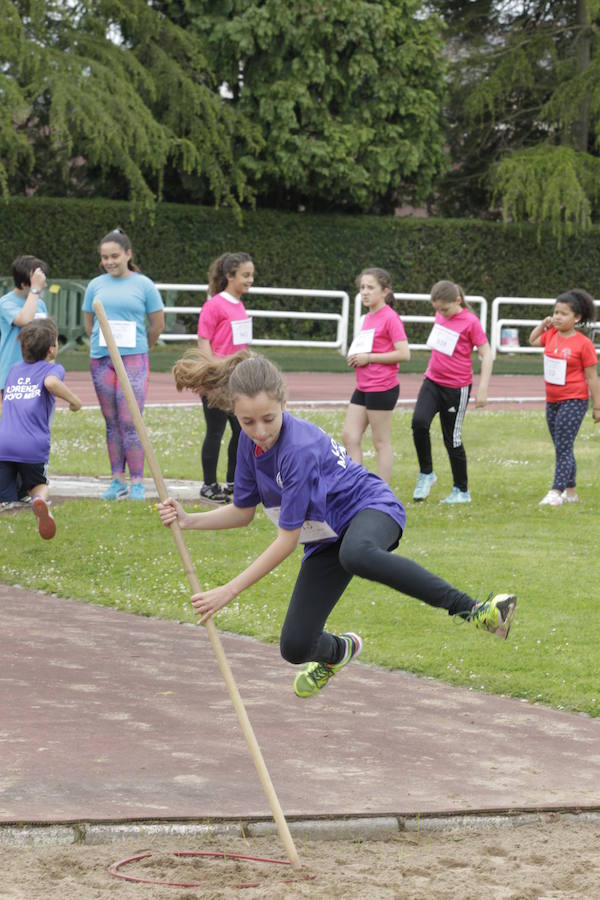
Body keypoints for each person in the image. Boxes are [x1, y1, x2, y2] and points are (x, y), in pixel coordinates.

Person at [157, 352, 517, 700]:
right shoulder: (249, 447)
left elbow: (286, 541)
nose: (260, 431)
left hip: (371, 508)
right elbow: (242, 511)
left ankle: (476, 610)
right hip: (327, 538)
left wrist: (228, 591)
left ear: (284, 402)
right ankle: (338, 652)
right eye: (248, 422)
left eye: (268, 418)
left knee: (357, 553)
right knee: (296, 646)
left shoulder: (297, 449)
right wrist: (189, 520)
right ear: (234, 412)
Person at [82, 228, 165, 501]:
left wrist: (142, 347)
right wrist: (100, 342)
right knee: (112, 422)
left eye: (115, 256)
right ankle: (117, 479)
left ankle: (138, 482)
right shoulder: (95, 284)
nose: (109, 261)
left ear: (128, 254)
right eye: (105, 257)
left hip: (133, 359)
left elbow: (157, 324)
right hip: (101, 359)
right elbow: (89, 321)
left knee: (131, 420)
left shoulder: (144, 285)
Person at [411, 281, 493, 504]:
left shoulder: (471, 322)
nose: (441, 314)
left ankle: (461, 490)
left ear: (457, 301)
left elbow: (487, 354)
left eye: (445, 309)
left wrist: (483, 389)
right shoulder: (441, 315)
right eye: (437, 309)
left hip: (456, 388)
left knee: (452, 438)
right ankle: (426, 473)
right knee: (419, 423)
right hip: (432, 381)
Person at [0, 319, 82, 537]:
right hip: (32, 445)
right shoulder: (52, 369)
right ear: (51, 349)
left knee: (7, 497)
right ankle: (39, 500)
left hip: (4, 444)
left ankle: (11, 498)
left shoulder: (13, 370)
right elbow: (51, 384)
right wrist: (75, 401)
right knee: (38, 484)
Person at [529, 288, 600, 506]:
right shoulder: (551, 334)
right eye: (556, 312)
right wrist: (544, 324)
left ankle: (556, 492)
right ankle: (571, 492)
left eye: (564, 313)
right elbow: (532, 340)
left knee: (564, 445)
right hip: (553, 400)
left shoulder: (583, 344)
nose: (558, 316)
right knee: (562, 445)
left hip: (575, 400)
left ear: (577, 318)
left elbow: (592, 376)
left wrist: (597, 406)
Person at [342, 268, 410, 483]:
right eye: (362, 287)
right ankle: (357, 485)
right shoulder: (367, 318)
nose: (364, 292)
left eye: (370, 288)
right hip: (363, 386)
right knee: (349, 436)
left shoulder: (390, 318)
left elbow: (404, 354)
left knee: (381, 441)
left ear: (385, 291)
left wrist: (369, 358)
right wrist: (356, 357)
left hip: (382, 387)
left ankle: (382, 491)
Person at [196, 251, 254, 504]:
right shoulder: (214, 304)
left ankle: (232, 481)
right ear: (230, 276)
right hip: (217, 379)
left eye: (251, 275)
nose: (250, 280)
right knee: (215, 432)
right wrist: (211, 373)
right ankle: (209, 484)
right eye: (245, 275)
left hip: (237, 379)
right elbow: (203, 340)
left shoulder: (239, 305)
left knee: (241, 431)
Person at [0, 255, 49, 400]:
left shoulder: (40, 304)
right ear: (23, 284)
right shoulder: (5, 303)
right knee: (16, 419)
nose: (44, 286)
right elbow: (25, 320)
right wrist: (35, 290)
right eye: (40, 283)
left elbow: (46, 335)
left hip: (38, 370)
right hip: (12, 371)